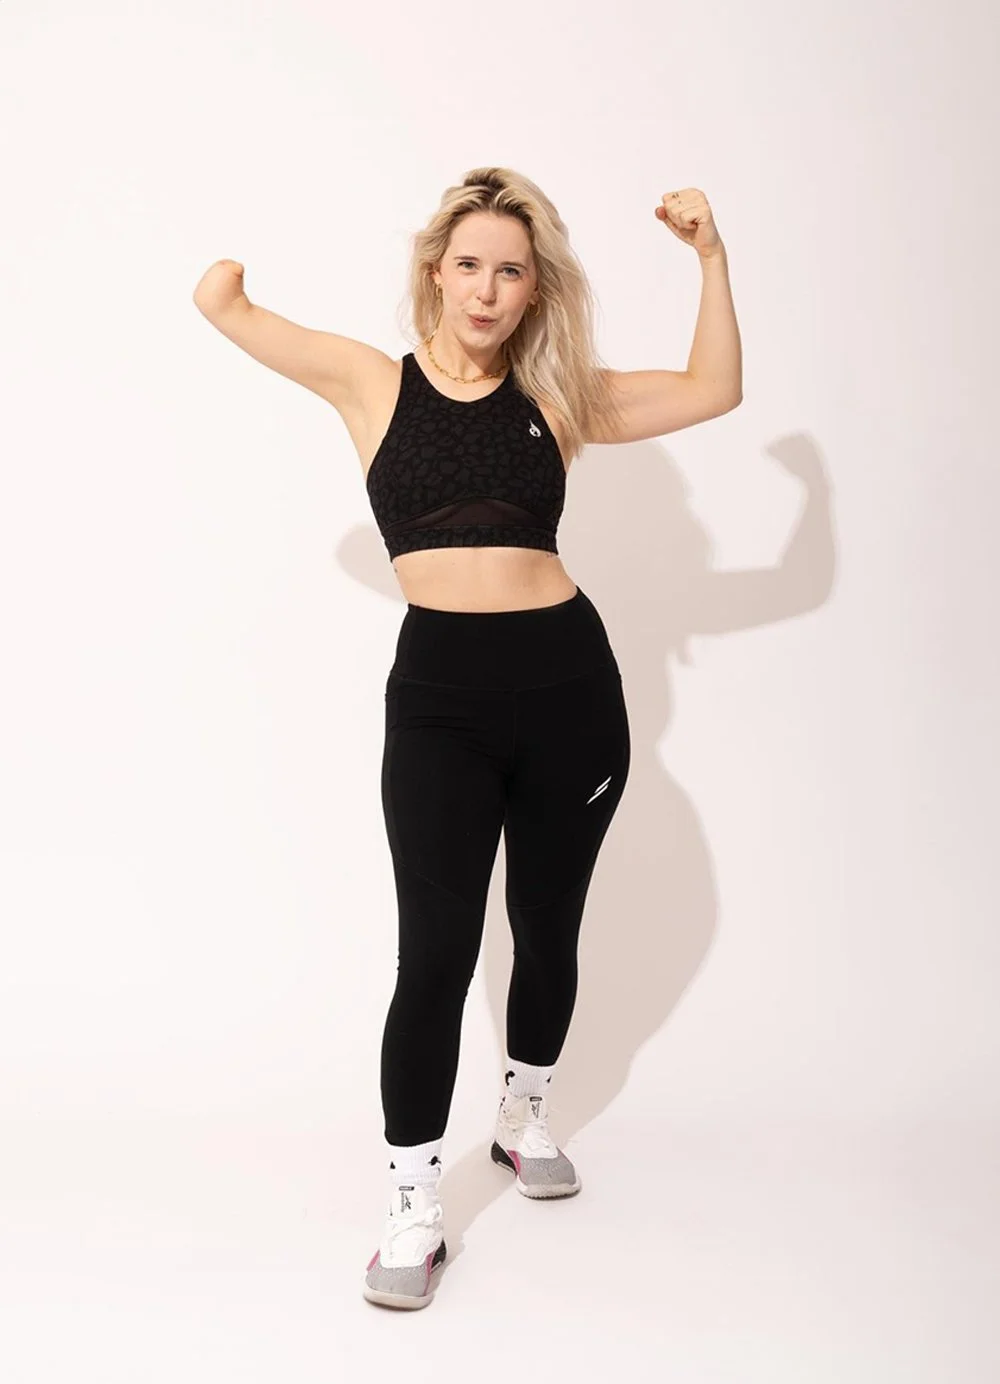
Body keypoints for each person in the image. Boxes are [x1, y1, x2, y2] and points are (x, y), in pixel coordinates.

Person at [193, 166, 742, 1310]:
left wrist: (708, 255)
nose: (486, 289)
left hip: (569, 688)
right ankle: (410, 1203)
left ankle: (522, 1111)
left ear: (534, 287)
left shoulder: (559, 394)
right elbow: (225, 310)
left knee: (546, 929)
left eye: (510, 269)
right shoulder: (367, 381)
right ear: (433, 272)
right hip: (440, 696)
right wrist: (227, 278)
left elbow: (712, 389)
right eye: (467, 265)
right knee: (435, 953)